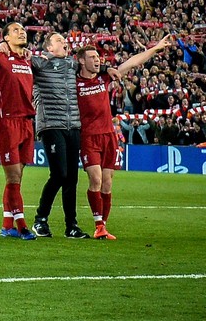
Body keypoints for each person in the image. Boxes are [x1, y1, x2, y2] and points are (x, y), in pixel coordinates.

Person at [77, 36, 172, 240]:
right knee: (95, 178)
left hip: (109, 136)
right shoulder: (74, 82)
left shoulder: (104, 78)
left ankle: (103, 225)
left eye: (98, 57)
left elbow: (133, 62)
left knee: (107, 183)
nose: (97, 60)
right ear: (81, 61)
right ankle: (98, 224)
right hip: (88, 137)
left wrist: (155, 48)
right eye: (92, 57)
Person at [0, 22, 37, 240]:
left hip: (27, 122)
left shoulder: (27, 58)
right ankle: (22, 225)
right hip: (6, 121)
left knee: (16, 178)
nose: (22, 32)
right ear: (5, 37)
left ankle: (7, 226)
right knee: (14, 176)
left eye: (22, 29)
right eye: (15, 30)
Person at [29, 32, 80, 239]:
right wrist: (46, 57)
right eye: (59, 40)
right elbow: (29, 63)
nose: (64, 42)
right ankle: (40, 219)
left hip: (73, 125)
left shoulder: (72, 64)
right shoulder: (41, 63)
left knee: (72, 178)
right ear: (49, 48)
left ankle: (71, 226)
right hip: (51, 125)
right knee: (59, 174)